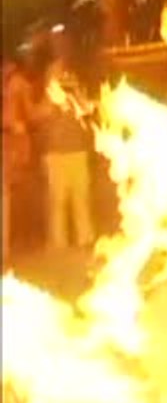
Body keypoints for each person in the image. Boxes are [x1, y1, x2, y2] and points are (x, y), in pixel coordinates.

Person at [32, 47, 95, 251]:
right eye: (56, 74)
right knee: (57, 202)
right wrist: (52, 105)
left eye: (64, 74)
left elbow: (88, 111)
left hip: (77, 151)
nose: (61, 77)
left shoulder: (77, 93)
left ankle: (84, 239)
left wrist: (78, 99)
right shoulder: (47, 99)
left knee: (81, 198)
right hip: (56, 155)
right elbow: (37, 116)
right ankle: (58, 244)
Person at [2, 54, 38, 267]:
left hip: (13, 150)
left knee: (12, 198)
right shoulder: (13, 85)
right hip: (10, 149)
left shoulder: (17, 84)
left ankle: (10, 247)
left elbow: (29, 114)